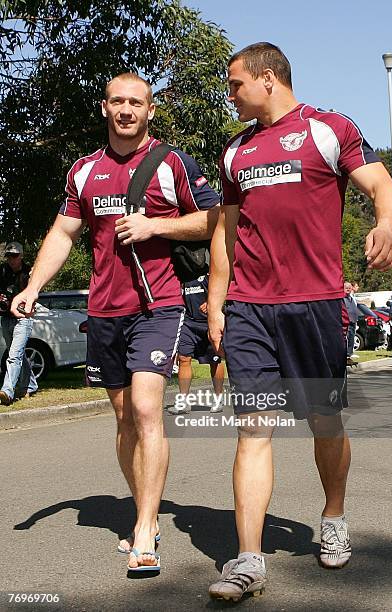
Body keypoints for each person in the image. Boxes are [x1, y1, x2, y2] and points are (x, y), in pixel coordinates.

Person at [207, 42, 392, 601]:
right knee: (253, 428)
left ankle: (334, 515)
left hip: (315, 304)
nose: (231, 94)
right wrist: (218, 304)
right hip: (250, 308)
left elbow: (383, 187)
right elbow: (227, 233)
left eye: (236, 84)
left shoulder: (327, 128)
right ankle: (248, 560)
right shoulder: (234, 153)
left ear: (268, 79)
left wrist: (387, 224)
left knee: (324, 423)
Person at [11, 72, 219, 571]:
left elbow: (217, 219)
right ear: (105, 108)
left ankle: (146, 527)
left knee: (147, 410)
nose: (126, 110)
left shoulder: (172, 163)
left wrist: (156, 225)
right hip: (105, 310)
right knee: (124, 419)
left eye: (136, 102)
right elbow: (63, 233)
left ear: (150, 111)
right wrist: (33, 286)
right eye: (117, 101)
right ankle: (141, 505)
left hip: (159, 306)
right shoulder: (84, 171)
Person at [168, 273, 225, 415]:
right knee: (183, 358)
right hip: (188, 322)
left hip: (208, 322)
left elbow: (225, 287)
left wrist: (213, 303)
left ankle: (218, 397)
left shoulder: (209, 272)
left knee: (215, 361)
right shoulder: (182, 274)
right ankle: (183, 402)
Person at [0, 242, 38, 405]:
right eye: (9, 256)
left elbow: (36, 293)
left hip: (23, 319)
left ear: (21, 256)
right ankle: (30, 385)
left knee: (13, 356)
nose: (11, 260)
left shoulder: (29, 273)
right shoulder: (2, 271)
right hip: (6, 318)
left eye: (14, 256)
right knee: (18, 354)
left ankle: (7, 391)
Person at [343, 281, 359, 361]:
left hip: (353, 321)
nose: (348, 289)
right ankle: (346, 354)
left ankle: (350, 353)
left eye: (349, 288)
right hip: (346, 321)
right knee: (347, 337)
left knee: (352, 337)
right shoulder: (342, 299)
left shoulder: (351, 298)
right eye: (346, 288)